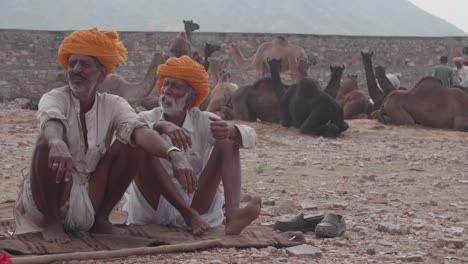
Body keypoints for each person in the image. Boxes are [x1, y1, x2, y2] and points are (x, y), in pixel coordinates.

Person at [14, 28, 195, 244]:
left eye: (84, 64)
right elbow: (51, 121)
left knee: (132, 143)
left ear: (101, 74)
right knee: (46, 142)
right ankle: (52, 222)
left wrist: (172, 153)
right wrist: (56, 142)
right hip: (50, 197)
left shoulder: (113, 104)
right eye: (72, 63)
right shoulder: (55, 97)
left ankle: (101, 218)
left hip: (90, 193)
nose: (75, 69)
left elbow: (139, 130)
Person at [124, 56, 262, 235]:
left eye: (175, 87)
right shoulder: (147, 118)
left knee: (227, 140)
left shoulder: (203, 120)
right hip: (153, 204)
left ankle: (233, 215)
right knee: (139, 145)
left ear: (191, 97)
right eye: (166, 84)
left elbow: (251, 135)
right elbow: (128, 132)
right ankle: (187, 214)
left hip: (196, 204)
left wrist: (232, 130)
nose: (166, 91)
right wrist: (161, 126)